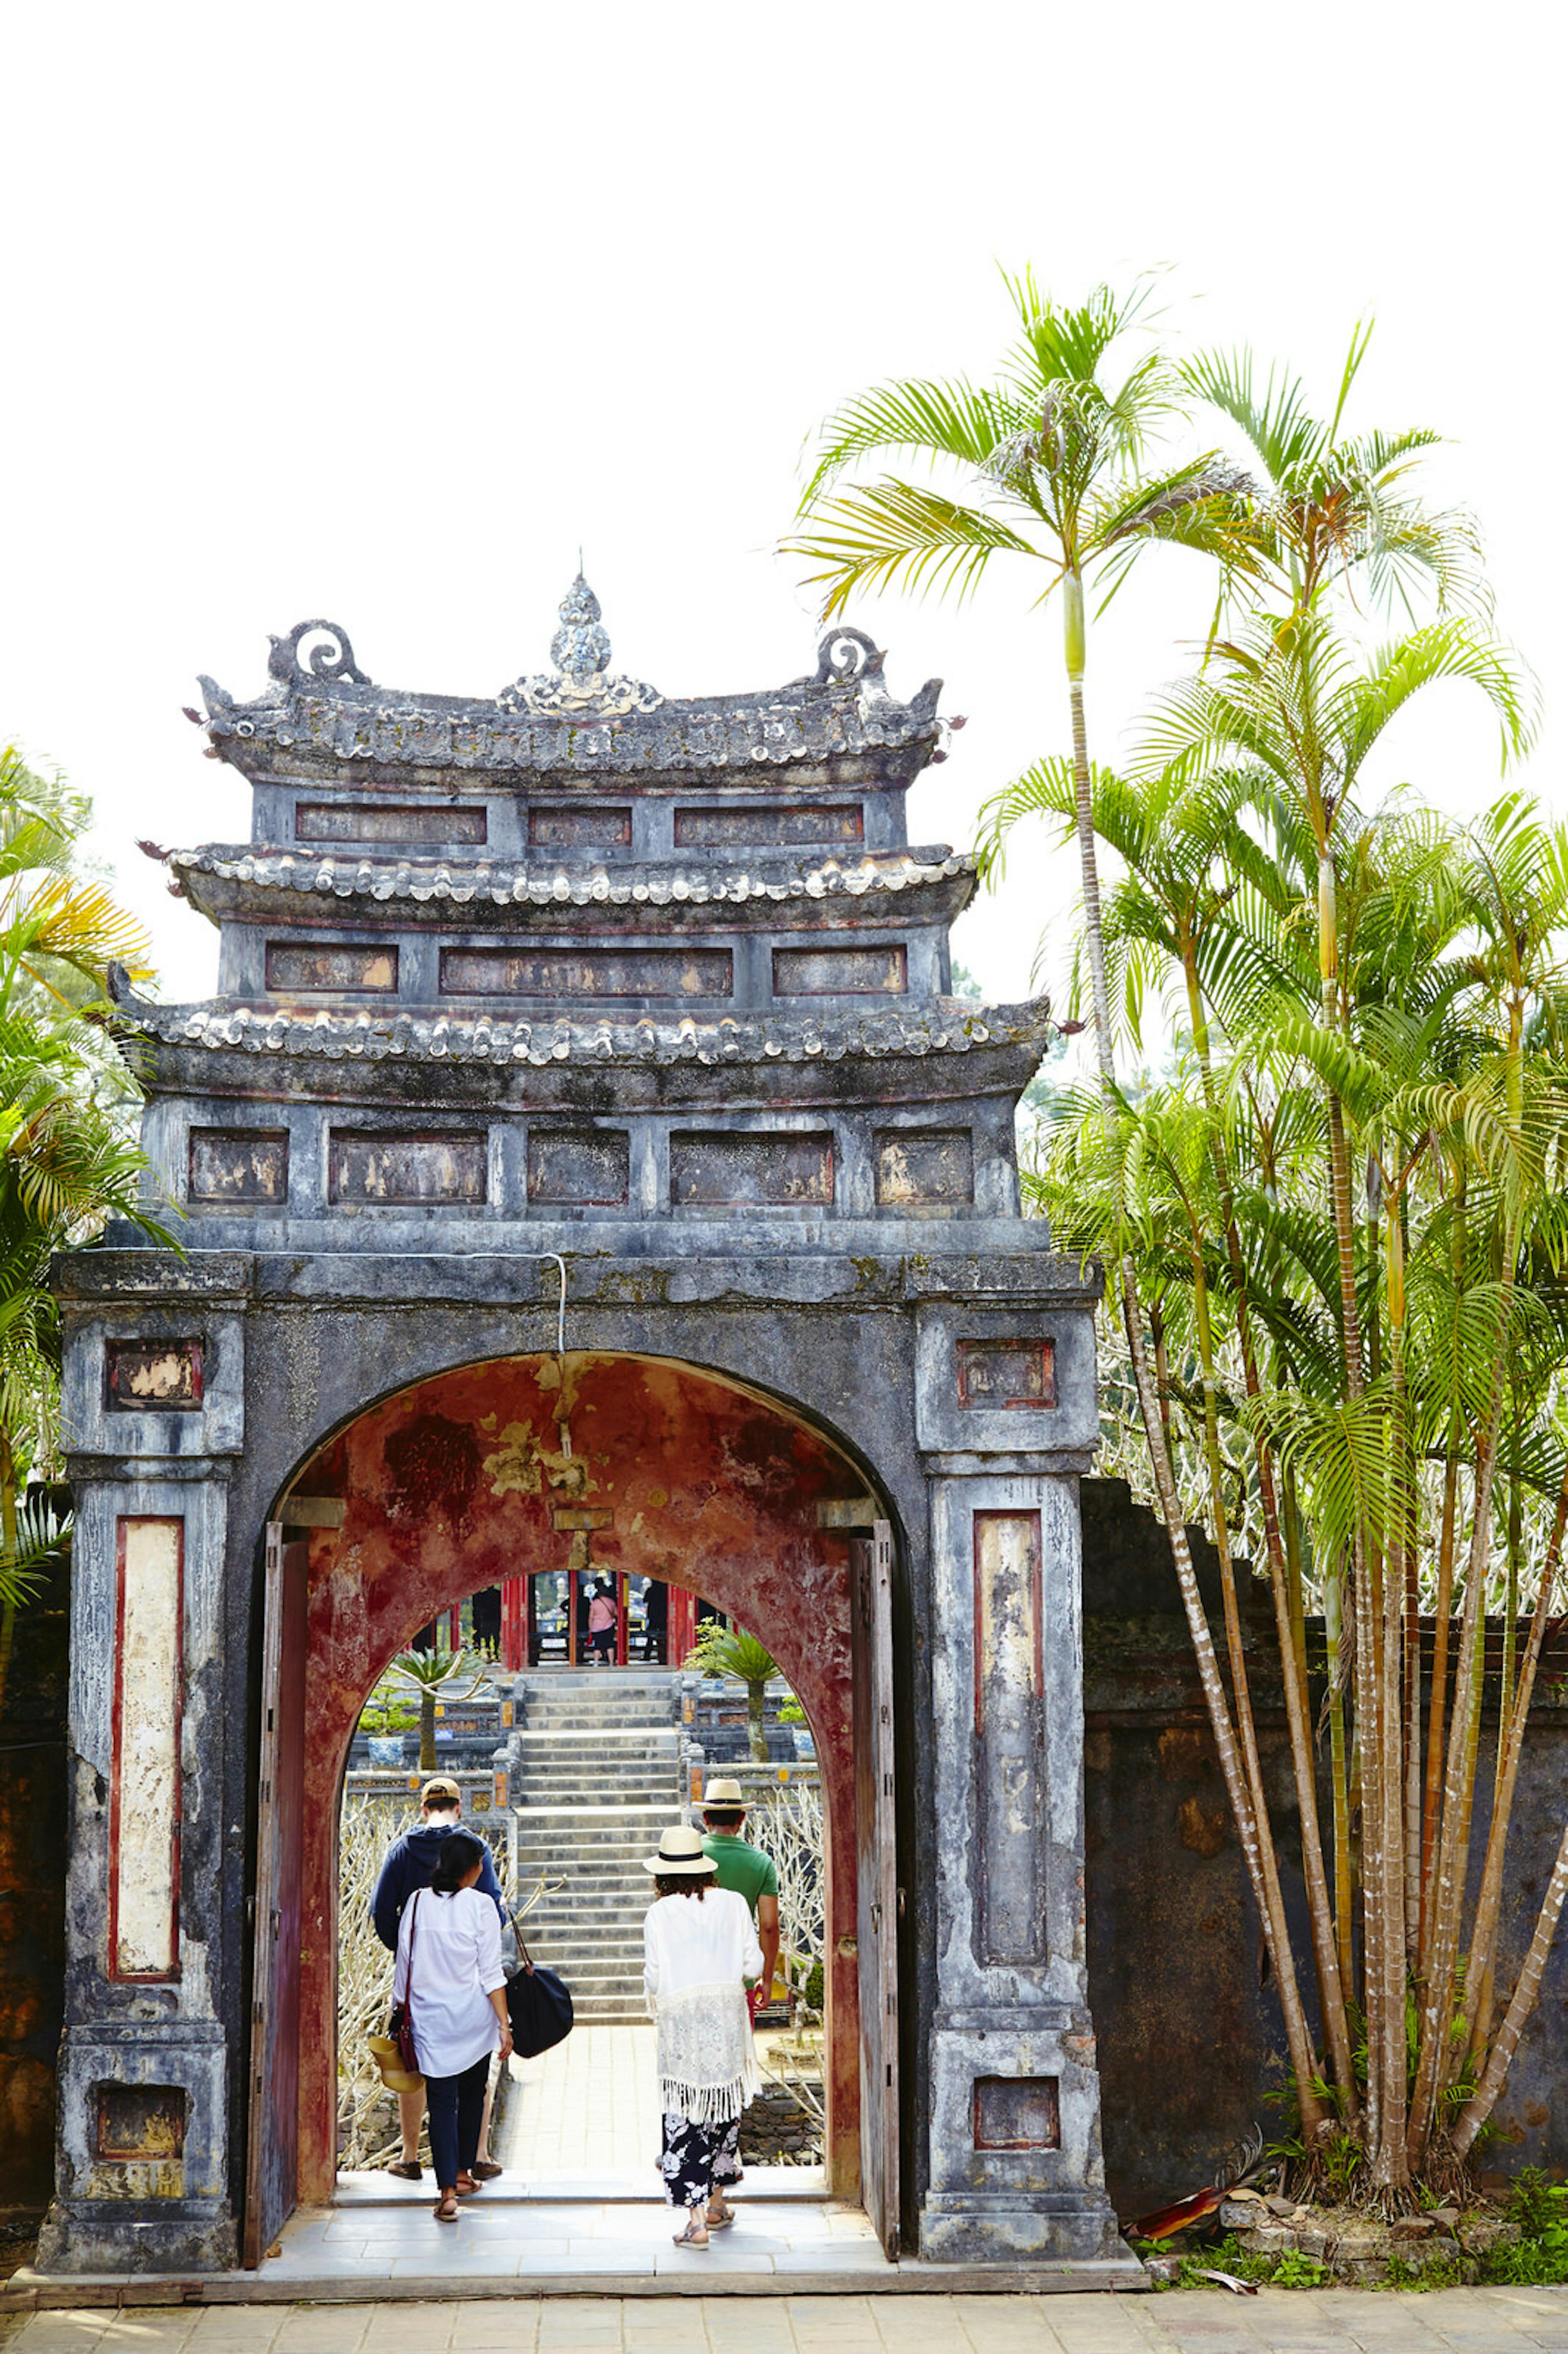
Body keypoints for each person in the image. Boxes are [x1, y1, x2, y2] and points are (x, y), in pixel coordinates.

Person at [372, 1775, 508, 2181]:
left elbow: (381, 1913)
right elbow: (494, 1914)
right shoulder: (474, 1850)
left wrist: (410, 1953)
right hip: (469, 1985)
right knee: (472, 2078)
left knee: (415, 2067)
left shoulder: (402, 1851)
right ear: (459, 1806)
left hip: (418, 1984)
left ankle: (411, 2155)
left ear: (423, 1808)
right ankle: (477, 2155)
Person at [642, 1824, 762, 2249]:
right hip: (726, 2024)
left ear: (663, 1875)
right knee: (722, 2110)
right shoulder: (732, 1903)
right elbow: (754, 1964)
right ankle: (716, 2201)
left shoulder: (660, 1913)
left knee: (685, 2117)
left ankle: (696, 2223)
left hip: (681, 2028)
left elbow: (654, 1978)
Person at [393, 1830, 513, 2223]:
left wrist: (399, 2010)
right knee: (473, 2092)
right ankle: (463, 2173)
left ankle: (447, 2192)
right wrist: (504, 2025)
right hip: (473, 2019)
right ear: (475, 1868)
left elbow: (404, 1966)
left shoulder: (415, 1903)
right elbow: (491, 1973)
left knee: (442, 2103)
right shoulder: (482, 1906)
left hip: (431, 2021)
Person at [698, 1775, 780, 2229]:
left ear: (706, 1817)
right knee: (728, 2082)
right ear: (743, 1818)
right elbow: (768, 1926)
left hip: (691, 1987)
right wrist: (766, 1979)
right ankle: (717, 2194)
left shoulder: (691, 1858)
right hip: (736, 1986)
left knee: (694, 2080)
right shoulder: (759, 1862)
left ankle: (689, 2173)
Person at [586, 1582, 617, 1665]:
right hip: (609, 1626)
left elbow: (591, 1617)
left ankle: (596, 1662)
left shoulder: (595, 1603)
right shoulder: (611, 1602)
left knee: (598, 1646)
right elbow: (616, 1614)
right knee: (610, 1645)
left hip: (597, 1627)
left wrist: (590, 1628)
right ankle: (611, 1663)